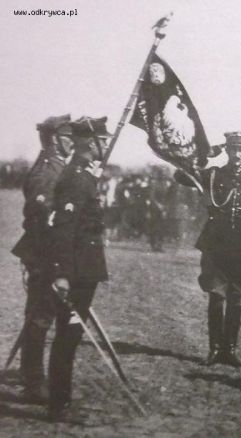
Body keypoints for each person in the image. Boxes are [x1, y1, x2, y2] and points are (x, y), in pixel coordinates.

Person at [175, 132, 241, 367]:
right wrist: (207, 154)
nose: (237, 154)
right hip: (216, 247)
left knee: (236, 299)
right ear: (227, 150)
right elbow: (180, 174)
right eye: (232, 149)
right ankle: (215, 348)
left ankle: (230, 349)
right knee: (216, 297)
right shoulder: (213, 174)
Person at [47, 116, 111, 421]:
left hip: (84, 269)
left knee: (71, 336)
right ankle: (58, 404)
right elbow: (64, 230)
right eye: (103, 140)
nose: (106, 145)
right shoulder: (76, 178)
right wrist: (61, 274)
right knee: (67, 336)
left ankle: (62, 399)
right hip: (75, 272)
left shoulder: (84, 175)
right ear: (90, 143)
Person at [11, 114, 75, 403]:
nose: (72, 141)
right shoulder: (46, 171)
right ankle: (33, 382)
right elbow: (41, 219)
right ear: (54, 139)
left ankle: (32, 375)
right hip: (44, 254)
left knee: (42, 315)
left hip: (52, 253)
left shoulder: (60, 166)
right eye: (67, 136)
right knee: (40, 318)